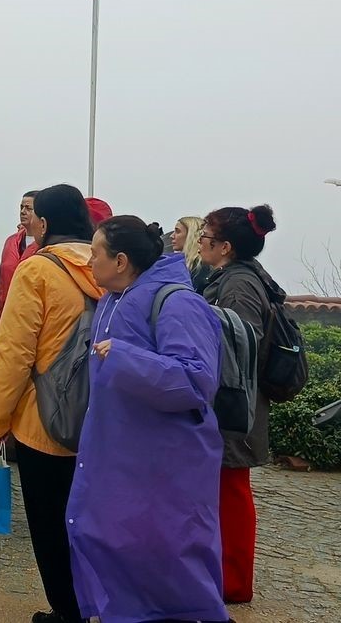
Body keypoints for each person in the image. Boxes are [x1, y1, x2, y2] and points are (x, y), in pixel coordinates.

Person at [70, 216, 229, 623]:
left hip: (165, 464)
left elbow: (196, 380)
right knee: (111, 542)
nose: (89, 262)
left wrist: (124, 356)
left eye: (96, 253)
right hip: (120, 454)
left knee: (170, 558)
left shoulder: (178, 303)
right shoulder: (112, 299)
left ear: (120, 261)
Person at [0, 184, 101, 623]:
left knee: (51, 524)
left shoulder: (37, 271)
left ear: (46, 224)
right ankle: (96, 604)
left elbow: (14, 353)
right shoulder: (110, 267)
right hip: (100, 420)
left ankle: (67, 611)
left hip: (44, 423)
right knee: (90, 521)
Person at [199, 205, 281, 605]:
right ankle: (225, 575)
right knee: (226, 487)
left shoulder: (239, 284)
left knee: (231, 488)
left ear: (226, 246)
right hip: (232, 398)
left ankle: (233, 582)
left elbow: (240, 342)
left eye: (207, 236)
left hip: (234, 401)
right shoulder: (237, 276)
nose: (200, 240)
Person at [0, 190, 40, 322]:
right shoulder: (10, 242)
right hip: (6, 315)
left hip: (31, 317)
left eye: (28, 208)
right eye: (21, 207)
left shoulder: (46, 244)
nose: (23, 211)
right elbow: (2, 282)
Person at [172, 215, 213, 292]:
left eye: (177, 231)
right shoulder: (187, 265)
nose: (172, 236)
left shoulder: (201, 267)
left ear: (191, 234)